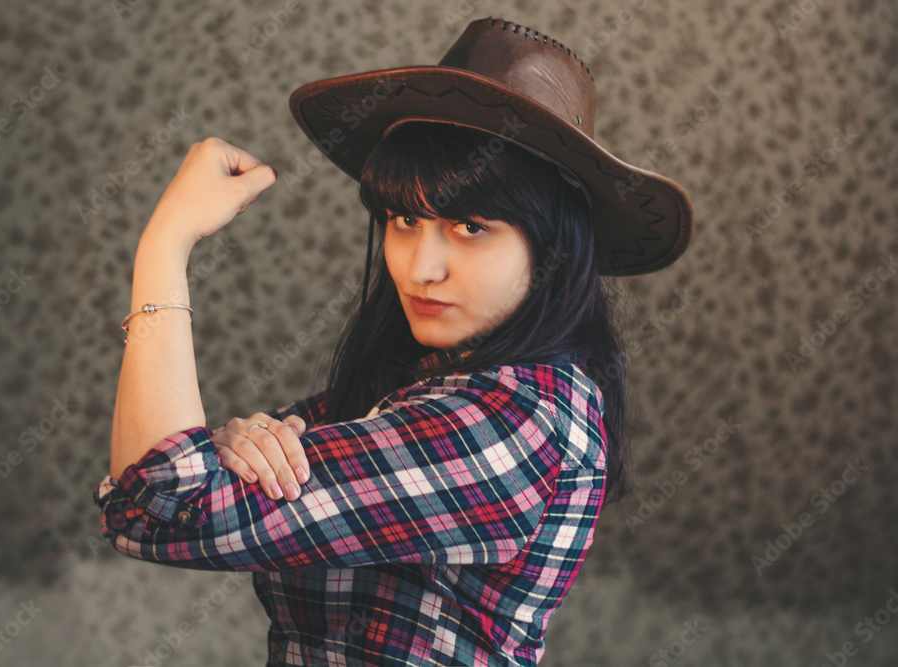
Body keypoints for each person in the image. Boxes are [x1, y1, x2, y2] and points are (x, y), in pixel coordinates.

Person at [94, 16, 693, 667]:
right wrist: (226, 446)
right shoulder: (415, 389)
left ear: (552, 243)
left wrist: (165, 246)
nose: (419, 266)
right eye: (405, 219)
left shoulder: (520, 420)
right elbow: (166, 483)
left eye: (469, 225)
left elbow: (162, 504)